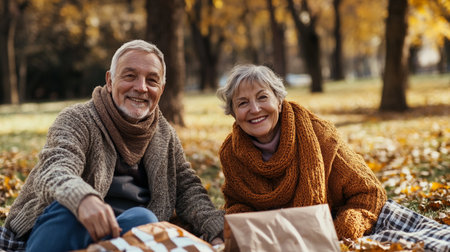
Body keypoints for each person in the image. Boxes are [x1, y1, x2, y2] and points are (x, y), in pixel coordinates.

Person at [2, 39, 224, 251]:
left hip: (126, 237)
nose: (141, 87)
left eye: (152, 80)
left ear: (162, 89)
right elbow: (54, 169)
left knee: (144, 219)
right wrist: (82, 199)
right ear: (110, 81)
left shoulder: (165, 134)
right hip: (65, 228)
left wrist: (216, 229)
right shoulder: (78, 119)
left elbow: (187, 189)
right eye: (130, 76)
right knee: (70, 212)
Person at [216, 64, 449, 251]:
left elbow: (369, 191)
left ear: (279, 100)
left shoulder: (319, 135)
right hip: (279, 236)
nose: (255, 109)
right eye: (243, 103)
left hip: (335, 221)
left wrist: (340, 234)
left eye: (262, 97)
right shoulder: (231, 153)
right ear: (233, 113)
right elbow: (237, 204)